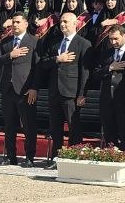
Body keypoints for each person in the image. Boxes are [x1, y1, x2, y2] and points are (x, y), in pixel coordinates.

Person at [39, 11, 90, 163]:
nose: (62, 24)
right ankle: (56, 158)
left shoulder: (83, 43)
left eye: (66, 22)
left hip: (71, 93)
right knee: (55, 128)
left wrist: (82, 94)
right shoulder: (54, 42)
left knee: (74, 127)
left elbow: (85, 72)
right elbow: (43, 63)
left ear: (75, 24)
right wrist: (58, 59)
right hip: (55, 91)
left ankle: (74, 158)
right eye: (61, 21)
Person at [0, 13, 39, 166]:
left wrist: (34, 87)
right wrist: (10, 55)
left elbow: (37, 67)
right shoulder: (5, 41)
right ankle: (10, 156)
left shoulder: (34, 41)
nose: (15, 25)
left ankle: (29, 157)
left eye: (18, 22)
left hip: (25, 90)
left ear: (26, 24)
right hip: (8, 89)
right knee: (9, 125)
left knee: (28, 125)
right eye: (13, 22)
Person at [96, 23, 125, 155]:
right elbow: (96, 74)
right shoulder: (106, 53)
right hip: (107, 100)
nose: (113, 42)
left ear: (124, 36)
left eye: (116, 39)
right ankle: (111, 159)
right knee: (109, 134)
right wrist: (110, 68)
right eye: (111, 39)